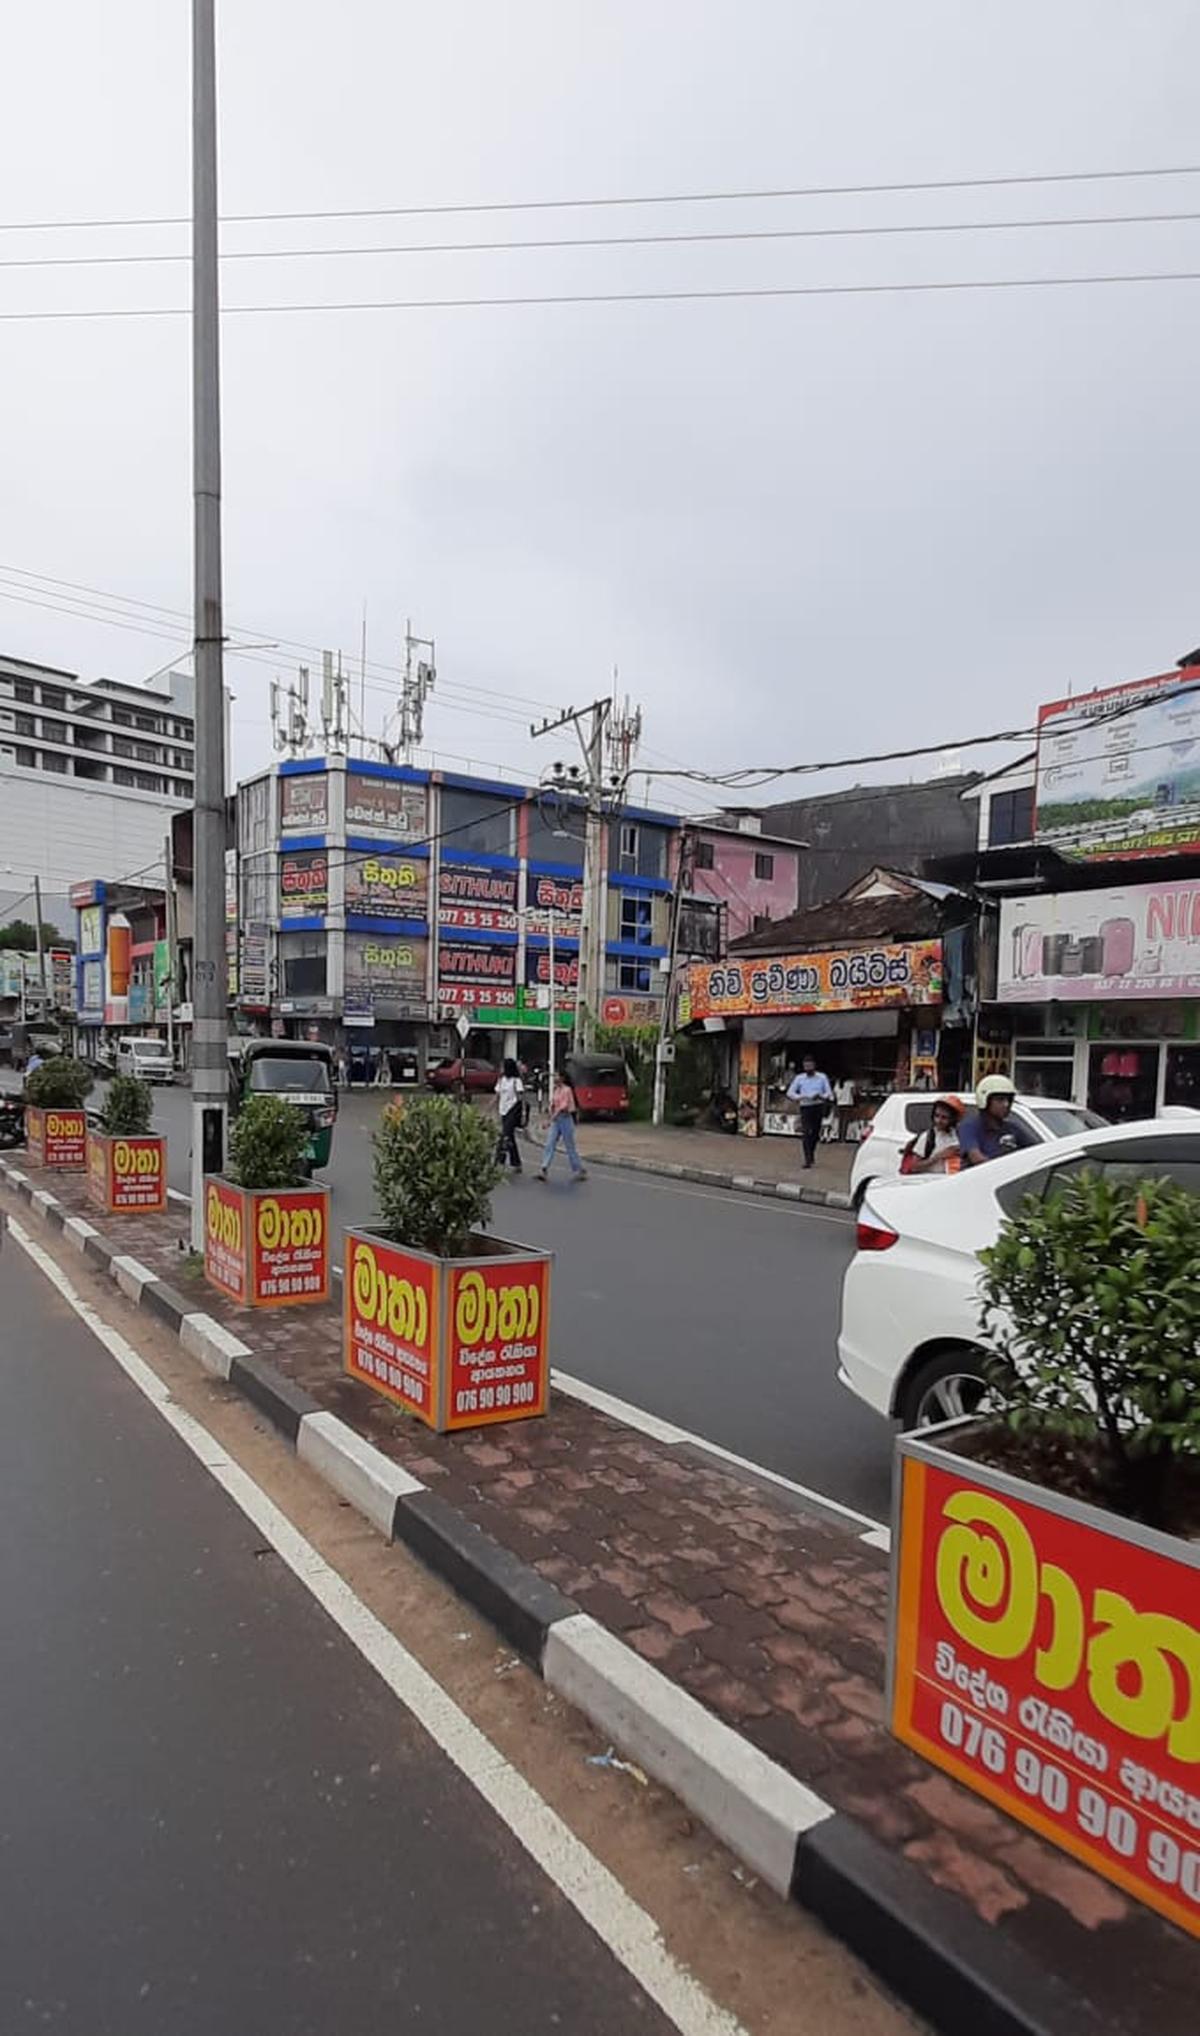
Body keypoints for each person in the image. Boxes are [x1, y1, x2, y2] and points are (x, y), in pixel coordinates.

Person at [957, 1074, 1033, 1167]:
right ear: (985, 1100)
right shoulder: (969, 1127)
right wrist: (1007, 1169)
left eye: (1009, 1100)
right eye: (1000, 1099)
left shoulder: (1012, 1128)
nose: (1006, 1104)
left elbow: (1037, 1151)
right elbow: (976, 1158)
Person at [536, 1068, 587, 1182]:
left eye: (557, 1076)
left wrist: (550, 1120)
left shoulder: (567, 1090)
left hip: (565, 1120)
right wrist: (549, 1115)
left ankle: (578, 1169)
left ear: (563, 1078)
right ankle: (544, 1168)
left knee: (569, 1147)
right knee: (550, 1144)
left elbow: (563, 1107)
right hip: (556, 1121)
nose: (555, 1078)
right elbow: (553, 1105)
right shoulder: (556, 1090)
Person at [786, 1054, 834, 1169]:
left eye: (810, 1066)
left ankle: (811, 1152)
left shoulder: (822, 1077)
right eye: (806, 1066)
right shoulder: (799, 1078)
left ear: (814, 1066)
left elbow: (829, 1093)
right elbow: (790, 1093)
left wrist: (821, 1096)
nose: (808, 1068)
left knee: (815, 1133)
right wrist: (801, 1097)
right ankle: (807, 1158)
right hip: (805, 1106)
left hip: (818, 1106)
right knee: (807, 1132)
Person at [904, 1096, 963, 1174]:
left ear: (953, 1119)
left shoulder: (958, 1135)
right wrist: (939, 1156)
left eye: (944, 1117)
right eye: (937, 1116)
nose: (939, 1121)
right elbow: (914, 1167)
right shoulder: (928, 1137)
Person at [494, 1056, 525, 1175]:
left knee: (504, 1135)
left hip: (513, 1110)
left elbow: (520, 1098)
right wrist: (490, 1108)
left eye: (502, 1066)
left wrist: (522, 1114)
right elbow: (497, 1095)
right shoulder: (501, 1080)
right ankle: (516, 1163)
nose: (500, 1069)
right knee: (510, 1137)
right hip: (503, 1110)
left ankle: (499, 1161)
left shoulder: (516, 1081)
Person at [833, 1074, 856, 1141]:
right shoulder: (850, 1083)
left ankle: (839, 1137)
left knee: (840, 1121)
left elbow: (834, 1093)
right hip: (848, 1103)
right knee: (845, 1122)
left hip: (839, 1104)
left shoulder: (837, 1083)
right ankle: (843, 1137)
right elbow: (854, 1093)